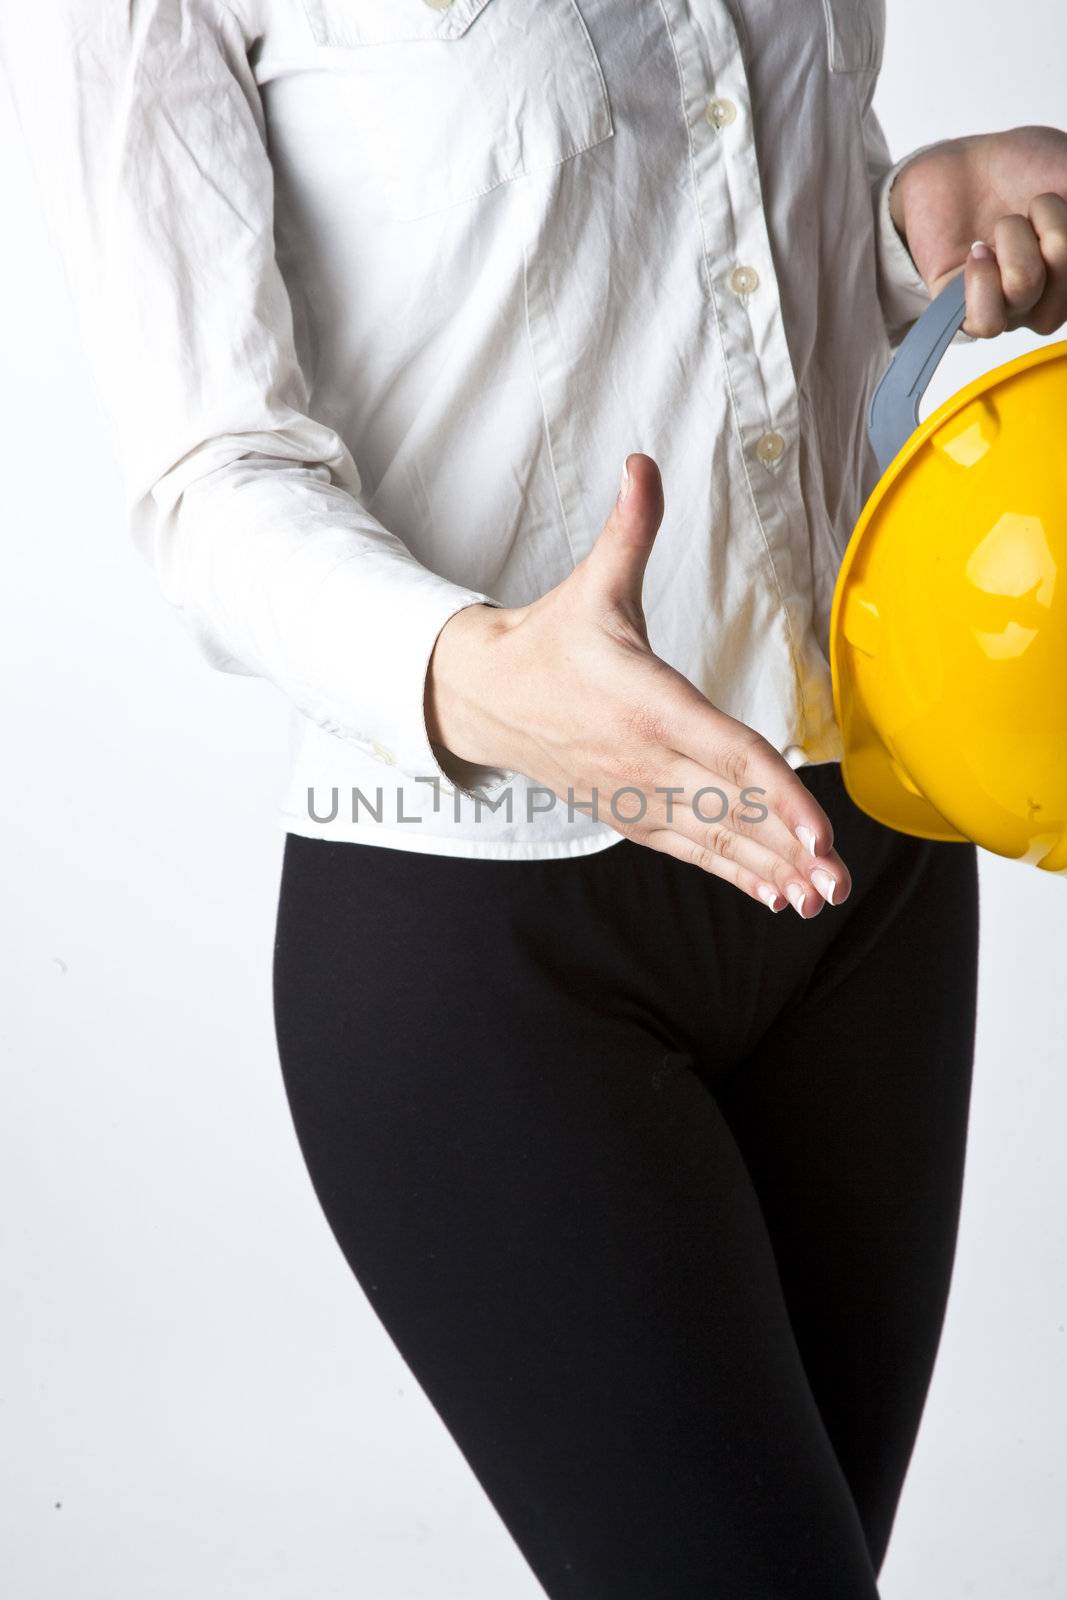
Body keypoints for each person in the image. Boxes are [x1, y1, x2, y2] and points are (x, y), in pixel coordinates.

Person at [3, 2, 1065, 1594]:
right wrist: (486, 673)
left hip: (866, 867)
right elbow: (209, 479)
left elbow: (725, 245)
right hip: (490, 948)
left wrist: (915, 257)